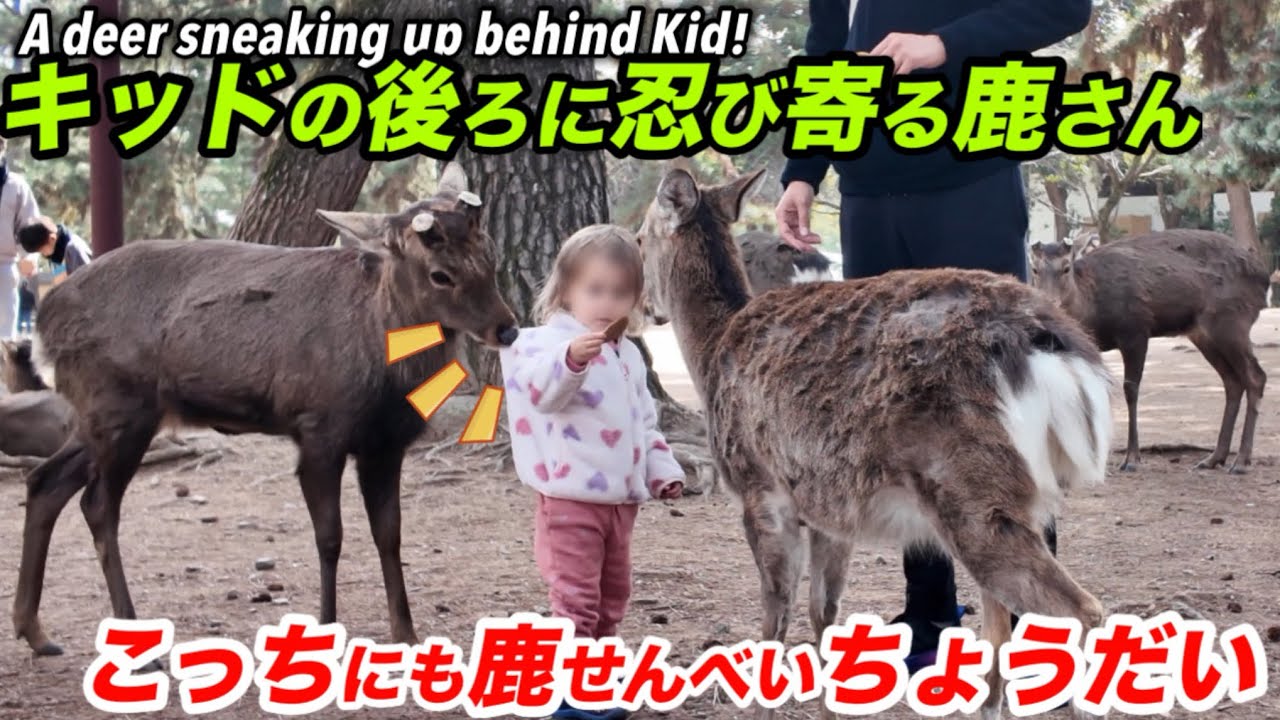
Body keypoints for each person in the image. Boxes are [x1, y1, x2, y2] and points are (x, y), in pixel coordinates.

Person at [775, 0, 1092, 671]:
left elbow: (1064, 8)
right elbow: (825, 54)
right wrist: (803, 172)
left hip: (968, 181)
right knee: (900, 417)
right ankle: (929, 614)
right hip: (867, 199)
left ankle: (1040, 622)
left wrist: (944, 46)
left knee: (995, 412)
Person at [500, 224, 685, 720]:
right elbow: (539, 394)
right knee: (575, 595)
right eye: (595, 290)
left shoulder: (626, 354)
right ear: (566, 291)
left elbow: (644, 421)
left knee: (612, 595)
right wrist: (569, 362)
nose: (608, 303)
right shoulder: (547, 344)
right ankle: (567, 691)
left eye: (621, 294)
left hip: (620, 503)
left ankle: (596, 678)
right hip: (569, 499)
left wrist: (661, 469)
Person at [0, 138, 41, 338]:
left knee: (4, 339)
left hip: (4, 267)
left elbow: (30, 226)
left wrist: (30, 257)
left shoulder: (16, 186)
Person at [17, 217, 93, 278]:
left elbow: (86, 282)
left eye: (42, 250)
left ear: (52, 238)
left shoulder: (73, 249)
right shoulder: (56, 253)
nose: (43, 254)